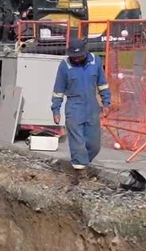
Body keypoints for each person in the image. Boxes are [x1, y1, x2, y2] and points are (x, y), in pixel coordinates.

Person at [50, 39, 111, 183]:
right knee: (77, 142)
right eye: (73, 56)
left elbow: (102, 84)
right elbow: (58, 91)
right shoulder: (65, 66)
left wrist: (106, 102)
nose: (76, 59)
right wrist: (56, 110)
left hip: (92, 108)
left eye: (79, 56)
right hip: (74, 107)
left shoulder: (96, 62)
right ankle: (80, 173)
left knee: (94, 145)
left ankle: (82, 163)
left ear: (86, 52)